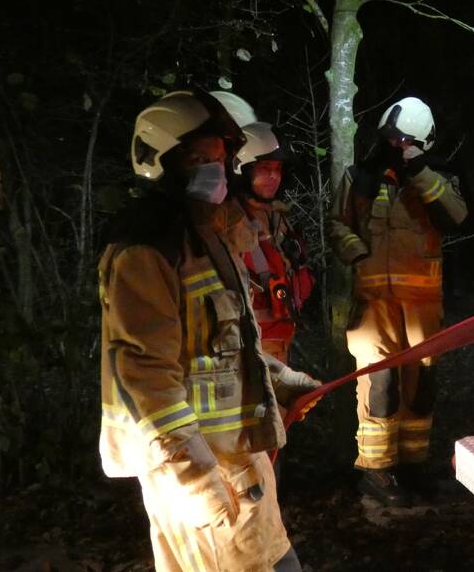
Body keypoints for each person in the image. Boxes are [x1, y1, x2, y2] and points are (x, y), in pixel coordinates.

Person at [98, 90, 321, 571]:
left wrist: (279, 379)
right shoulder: (147, 250)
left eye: (220, 159)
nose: (216, 171)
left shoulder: (203, 236)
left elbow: (218, 346)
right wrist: (195, 479)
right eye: (199, 160)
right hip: (201, 477)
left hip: (237, 464)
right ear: (160, 162)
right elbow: (145, 378)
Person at [329, 96, 468, 506]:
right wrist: (358, 253)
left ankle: (413, 466)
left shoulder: (437, 180)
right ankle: (376, 470)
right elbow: (337, 225)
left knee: (420, 386)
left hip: (422, 308)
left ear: (423, 142)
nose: (396, 147)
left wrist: (419, 171)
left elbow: (456, 217)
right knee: (380, 385)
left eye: (405, 141)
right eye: (392, 140)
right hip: (373, 306)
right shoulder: (359, 179)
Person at [213, 92, 314, 367]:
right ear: (242, 169)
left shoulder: (279, 217)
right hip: (248, 347)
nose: (273, 176)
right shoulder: (227, 219)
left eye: (278, 169)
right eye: (265, 167)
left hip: (281, 340)